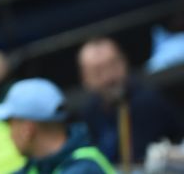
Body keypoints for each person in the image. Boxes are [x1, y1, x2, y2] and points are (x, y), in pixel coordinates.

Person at [77, 38, 183, 166]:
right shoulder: (90, 113)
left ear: (124, 62)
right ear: (85, 77)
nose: (109, 77)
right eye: (98, 72)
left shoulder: (147, 101)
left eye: (113, 65)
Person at [0, 78, 116, 174]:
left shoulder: (85, 168)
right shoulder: (38, 166)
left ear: (27, 129)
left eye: (10, 125)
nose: (10, 135)